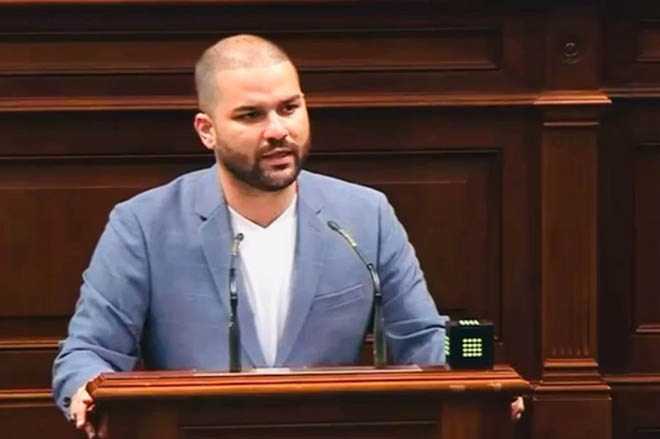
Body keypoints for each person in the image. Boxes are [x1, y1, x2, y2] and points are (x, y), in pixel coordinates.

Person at [52, 34, 520, 438]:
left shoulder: (364, 217)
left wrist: (483, 388)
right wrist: (85, 391)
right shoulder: (143, 224)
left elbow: (419, 338)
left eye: (289, 108)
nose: (278, 131)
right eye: (250, 115)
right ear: (207, 131)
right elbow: (87, 351)